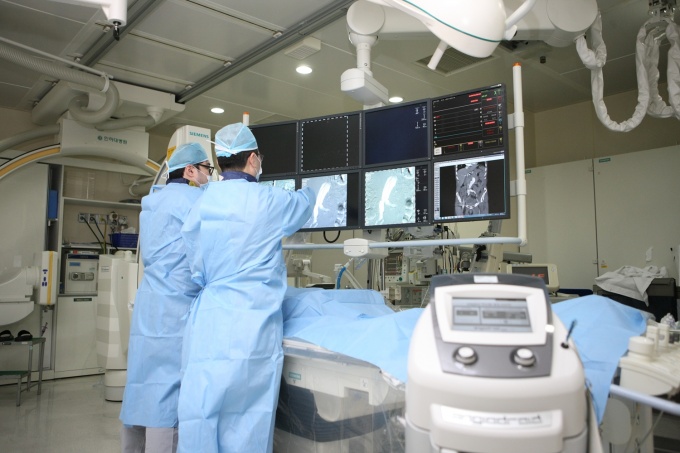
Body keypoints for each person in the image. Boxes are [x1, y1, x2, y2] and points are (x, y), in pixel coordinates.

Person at [177, 123, 315, 453]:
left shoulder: (204, 201)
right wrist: (311, 187)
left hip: (210, 321)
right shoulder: (268, 199)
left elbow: (195, 261)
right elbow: (304, 204)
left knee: (202, 410)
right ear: (253, 159)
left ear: (219, 162)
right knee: (248, 415)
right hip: (252, 324)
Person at [119, 142, 214, 453]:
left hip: (149, 302)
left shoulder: (153, 202)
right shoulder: (195, 201)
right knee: (168, 390)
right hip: (177, 305)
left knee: (141, 383)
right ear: (190, 170)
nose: (209, 175)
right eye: (207, 169)